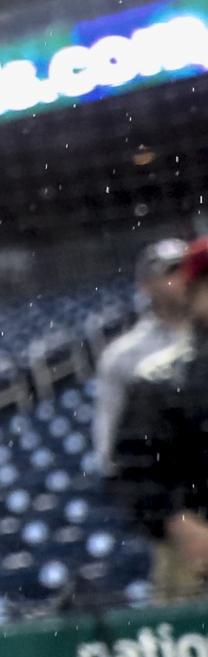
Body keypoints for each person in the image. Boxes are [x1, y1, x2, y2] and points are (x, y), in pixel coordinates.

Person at [108, 238, 208, 602]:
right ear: (193, 292)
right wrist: (177, 522)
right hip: (195, 549)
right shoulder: (160, 379)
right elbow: (131, 468)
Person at [97, 237, 196, 471]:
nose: (183, 278)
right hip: (172, 486)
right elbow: (108, 443)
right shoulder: (122, 356)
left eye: (188, 269)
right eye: (171, 271)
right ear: (146, 284)